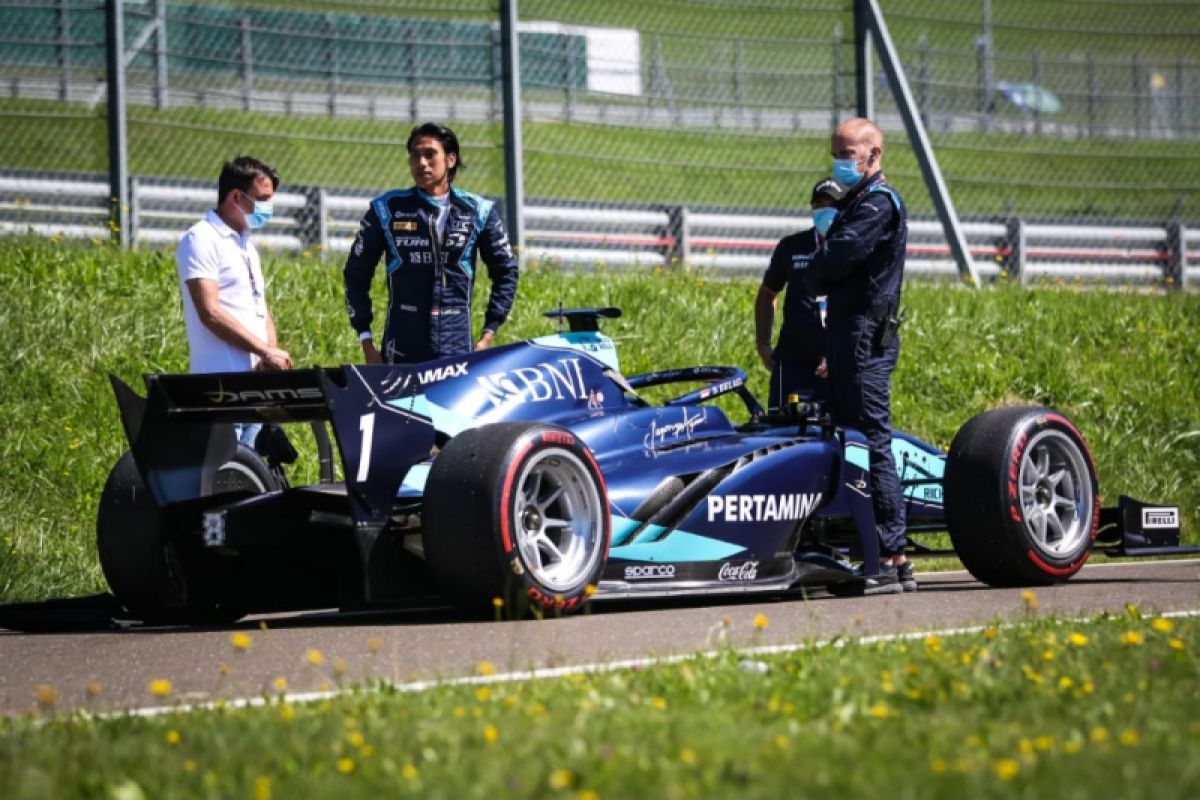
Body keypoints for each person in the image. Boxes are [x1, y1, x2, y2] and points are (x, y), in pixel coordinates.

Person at [806, 118, 914, 594]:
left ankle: (891, 556)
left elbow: (835, 258)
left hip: (866, 336)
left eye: (849, 153)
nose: (841, 161)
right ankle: (870, 550)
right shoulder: (855, 203)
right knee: (850, 436)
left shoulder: (878, 204)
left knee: (872, 439)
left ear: (875, 154)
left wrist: (820, 267)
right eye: (836, 152)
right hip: (848, 334)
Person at [344, 122, 519, 365]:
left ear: (450, 159)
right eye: (415, 156)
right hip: (403, 342)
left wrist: (487, 335)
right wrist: (367, 342)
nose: (421, 163)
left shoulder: (479, 210)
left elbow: (506, 271)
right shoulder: (386, 209)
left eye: (429, 154)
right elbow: (355, 273)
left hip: (457, 343)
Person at [176, 156, 291, 446]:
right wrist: (264, 350)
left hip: (254, 391)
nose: (268, 208)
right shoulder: (200, 239)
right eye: (262, 199)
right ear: (236, 196)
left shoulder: (246, 245)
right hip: (221, 393)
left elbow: (259, 307)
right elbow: (210, 312)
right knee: (225, 482)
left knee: (255, 483)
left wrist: (270, 355)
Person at [755, 178, 846, 411]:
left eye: (832, 205)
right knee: (780, 430)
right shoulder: (792, 247)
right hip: (792, 362)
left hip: (837, 363)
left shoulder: (855, 247)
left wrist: (840, 354)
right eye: (818, 205)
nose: (825, 211)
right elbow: (767, 294)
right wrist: (763, 344)